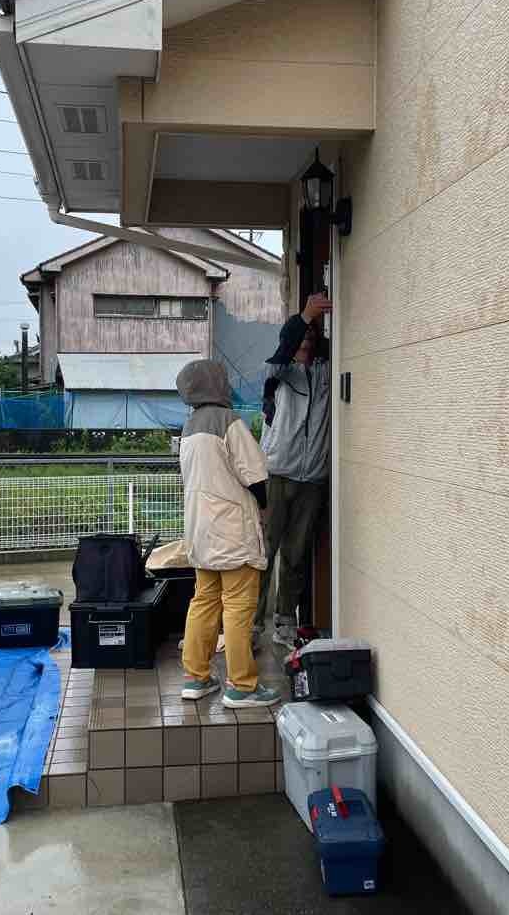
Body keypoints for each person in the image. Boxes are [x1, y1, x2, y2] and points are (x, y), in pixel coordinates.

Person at [175, 358, 281, 709]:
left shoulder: (189, 428)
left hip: (200, 530)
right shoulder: (228, 422)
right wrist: (264, 507)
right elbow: (256, 475)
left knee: (203, 602)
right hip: (232, 530)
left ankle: (196, 677)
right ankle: (242, 686)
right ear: (215, 384)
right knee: (238, 607)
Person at [255, 292, 332, 648]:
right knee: (265, 552)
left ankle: (285, 623)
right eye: (301, 336)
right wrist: (305, 316)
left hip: (312, 476)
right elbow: (285, 345)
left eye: (311, 337)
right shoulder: (278, 371)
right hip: (276, 473)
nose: (305, 342)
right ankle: (251, 624)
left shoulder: (325, 371)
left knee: (296, 555)